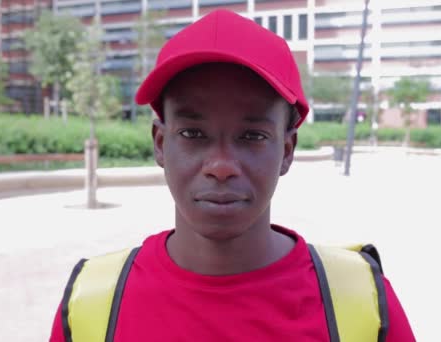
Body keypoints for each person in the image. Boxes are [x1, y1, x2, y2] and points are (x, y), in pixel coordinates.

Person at [50, 9, 415, 342]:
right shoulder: (91, 305)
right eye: (193, 134)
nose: (221, 165)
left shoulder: (362, 303)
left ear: (287, 151)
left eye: (252, 136)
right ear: (160, 143)